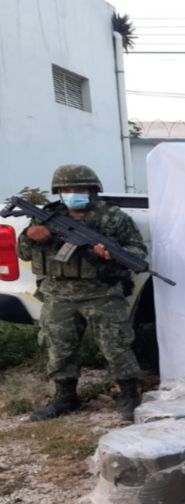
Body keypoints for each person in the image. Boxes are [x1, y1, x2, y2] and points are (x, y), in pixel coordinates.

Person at [17, 164, 147, 421]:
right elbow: (23, 252)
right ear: (59, 192)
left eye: (80, 189)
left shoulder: (114, 217)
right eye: (67, 189)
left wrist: (111, 256)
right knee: (59, 348)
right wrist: (31, 236)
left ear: (92, 190)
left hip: (102, 292)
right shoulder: (45, 217)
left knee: (116, 345)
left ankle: (129, 394)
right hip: (58, 293)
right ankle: (64, 398)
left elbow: (137, 251)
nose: (74, 193)